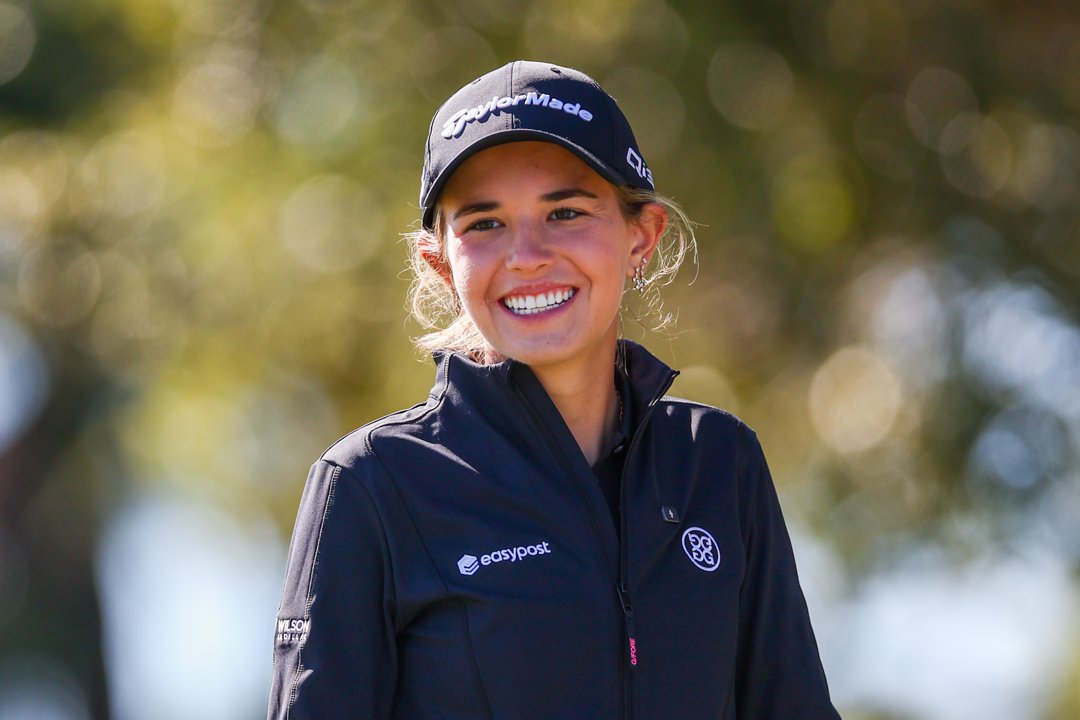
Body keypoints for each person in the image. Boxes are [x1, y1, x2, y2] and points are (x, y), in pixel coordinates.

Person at [267, 60, 840, 719]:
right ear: (441, 264)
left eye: (565, 212)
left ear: (641, 238)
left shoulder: (717, 462)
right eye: (485, 224)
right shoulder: (370, 485)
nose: (528, 255)